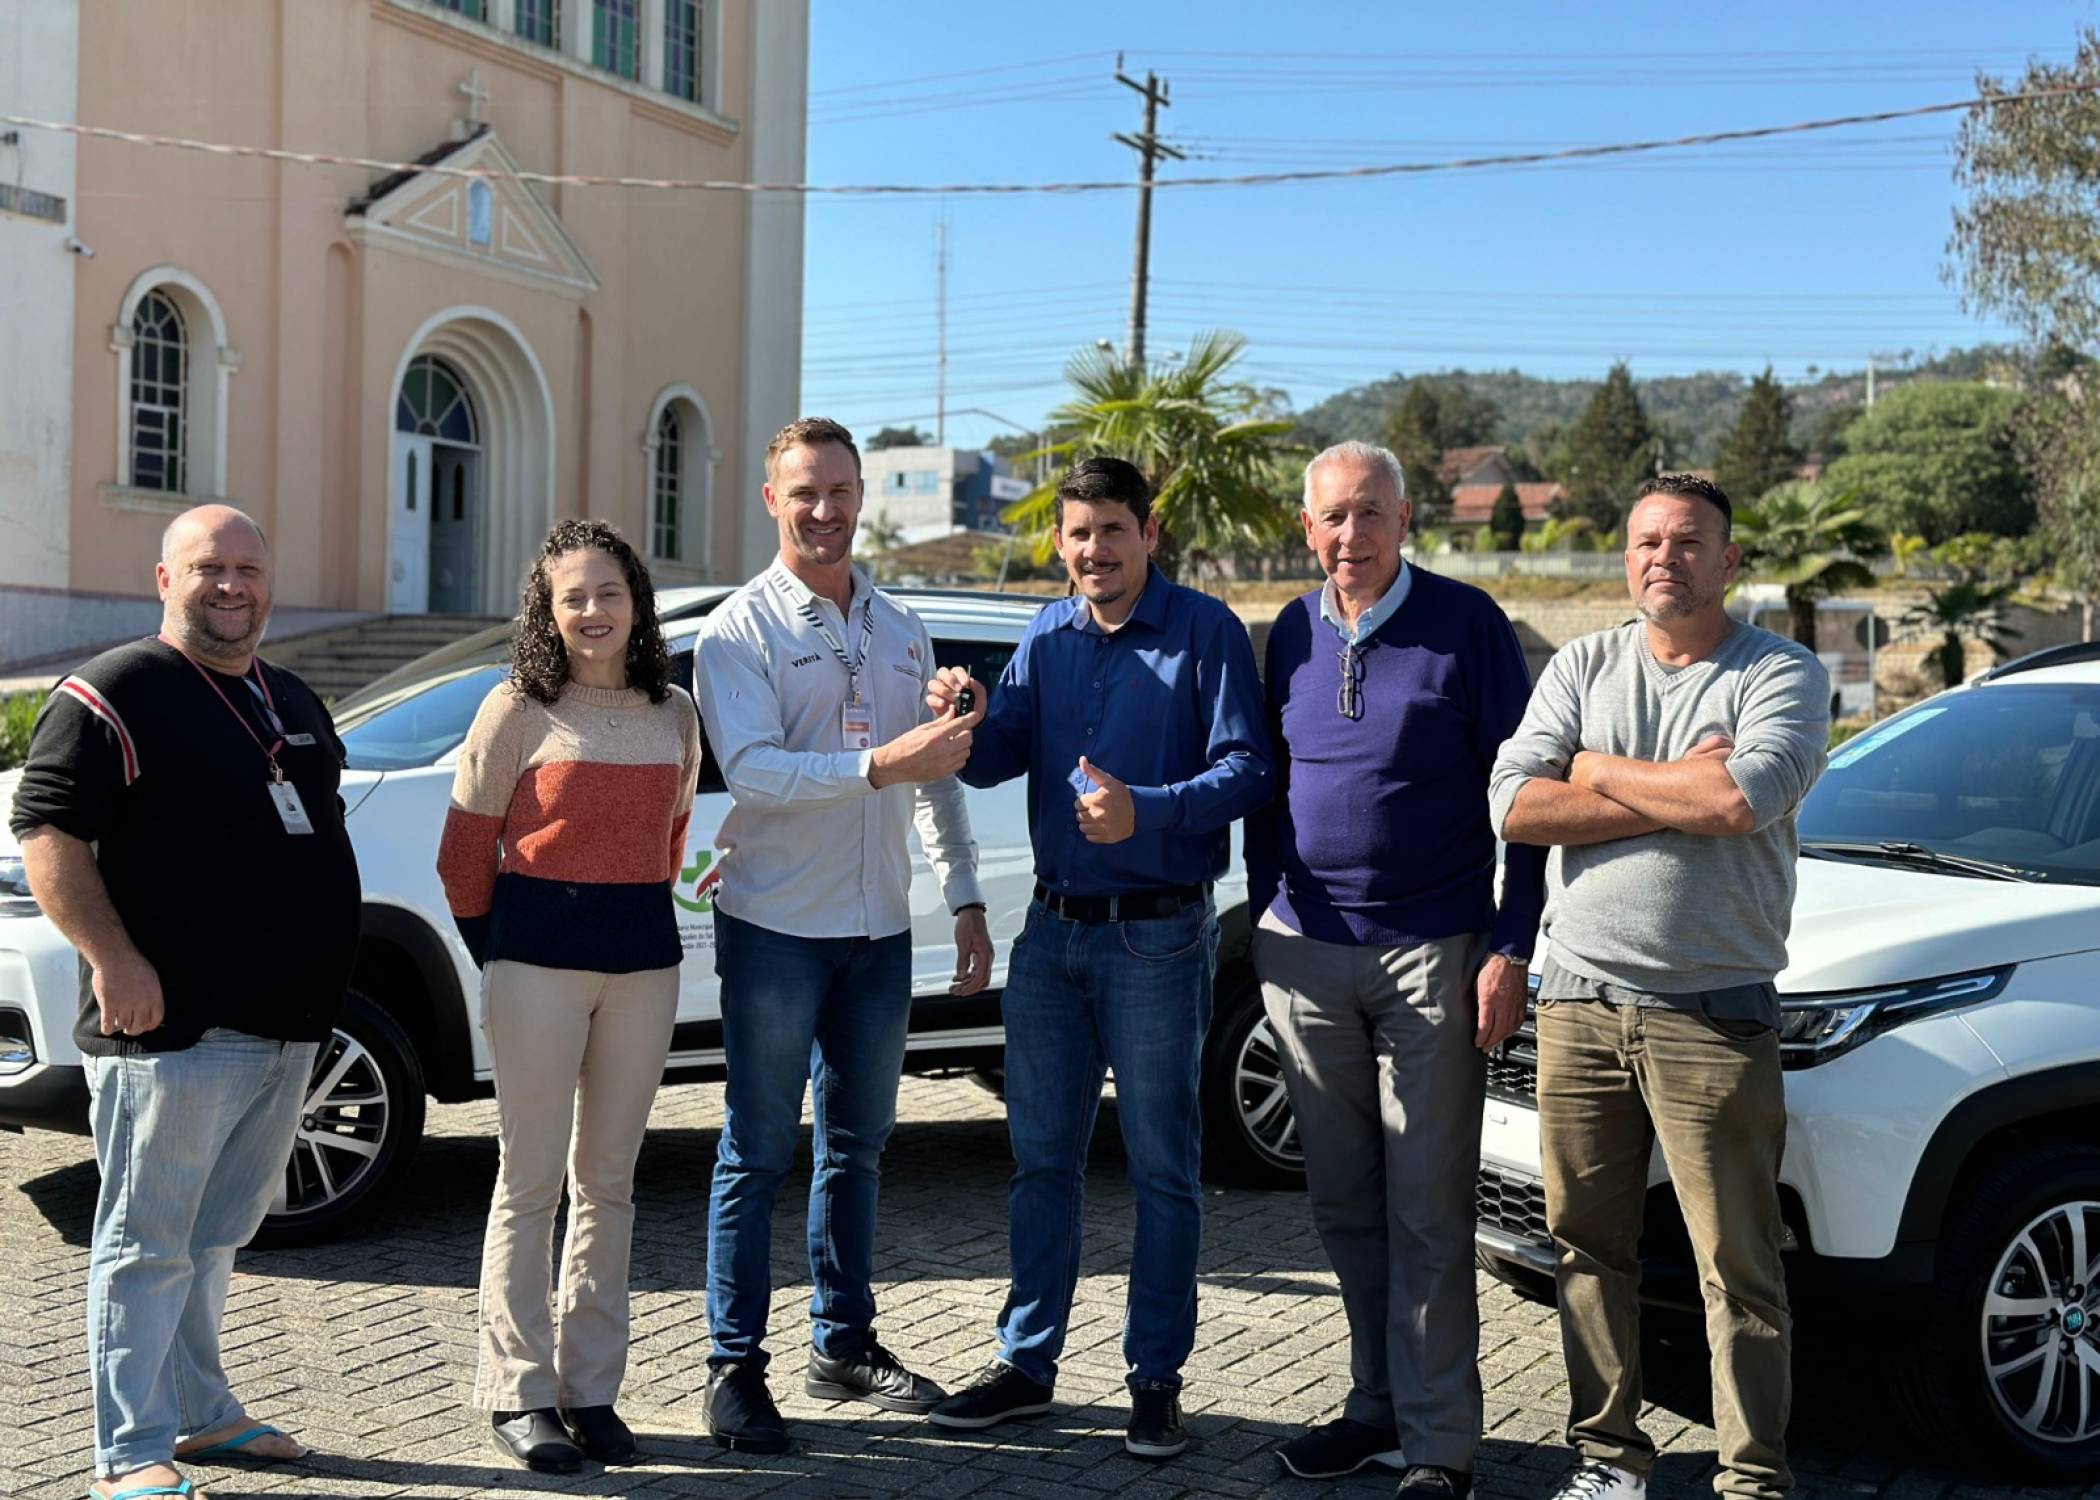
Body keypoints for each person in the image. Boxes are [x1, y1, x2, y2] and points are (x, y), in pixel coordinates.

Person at [922, 455, 1273, 1460]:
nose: (1093, 551)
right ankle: (1026, 1365)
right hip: (1051, 936)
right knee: (1041, 1163)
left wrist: (1146, 811)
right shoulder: (1044, 633)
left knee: (1163, 1166)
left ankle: (1154, 1380)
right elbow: (997, 759)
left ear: (1147, 534)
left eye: (1111, 531)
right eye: (1077, 534)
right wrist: (966, 712)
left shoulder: (1203, 632)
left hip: (1158, 936)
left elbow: (1250, 772)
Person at [1487, 474, 1829, 1500]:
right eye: (1645, 541)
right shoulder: (1587, 662)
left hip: (1713, 1015)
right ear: (1625, 554)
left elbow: (1736, 800)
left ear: (1729, 562)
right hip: (1579, 1005)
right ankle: (1607, 1460)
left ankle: (1752, 1479)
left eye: (1687, 543)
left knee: (1740, 1268)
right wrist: (1651, 782)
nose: (1662, 558)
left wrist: (1593, 770)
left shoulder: (1784, 673)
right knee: (1587, 1249)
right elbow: (1511, 802)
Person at [11, 505, 361, 1500]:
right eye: (209, 567)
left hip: (287, 1024)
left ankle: (204, 1417)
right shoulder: (116, 689)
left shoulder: (288, 695)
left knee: (214, 1237)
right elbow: (48, 832)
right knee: (147, 1241)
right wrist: (112, 957)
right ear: (164, 577)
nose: (233, 586)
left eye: (249, 568)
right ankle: (128, 1454)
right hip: (174, 1029)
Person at [1245, 442, 1545, 1498]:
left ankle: (1439, 1444)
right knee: (1343, 1202)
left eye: (1368, 514)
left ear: (1405, 517)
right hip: (1307, 955)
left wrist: (1513, 941)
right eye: (1331, 519)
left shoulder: (1469, 627)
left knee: (1427, 1206)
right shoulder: (1288, 631)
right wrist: (1264, 912)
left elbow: (1527, 798)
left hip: (1437, 950)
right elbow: (1267, 785)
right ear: (1306, 526)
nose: (1349, 538)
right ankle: (1372, 1405)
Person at [691, 417, 991, 1454]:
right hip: (776, 927)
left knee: (857, 1147)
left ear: (865, 497)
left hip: (878, 935)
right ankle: (733, 1369)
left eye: (841, 491)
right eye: (804, 493)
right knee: (758, 1149)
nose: (824, 511)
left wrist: (962, 899)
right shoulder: (738, 632)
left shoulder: (904, 629)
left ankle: (843, 1344)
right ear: (771, 502)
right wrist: (879, 766)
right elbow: (756, 770)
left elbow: (936, 770)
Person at [438, 518, 702, 1474]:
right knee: (531, 1178)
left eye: (609, 592)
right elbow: (464, 854)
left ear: (637, 601)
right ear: (548, 613)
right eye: (572, 598)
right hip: (535, 968)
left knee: (611, 1183)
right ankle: (519, 1392)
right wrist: (505, 955)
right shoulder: (517, 709)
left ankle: (592, 1391)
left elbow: (669, 844)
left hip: (643, 965)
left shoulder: (674, 712)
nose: (593, 611)